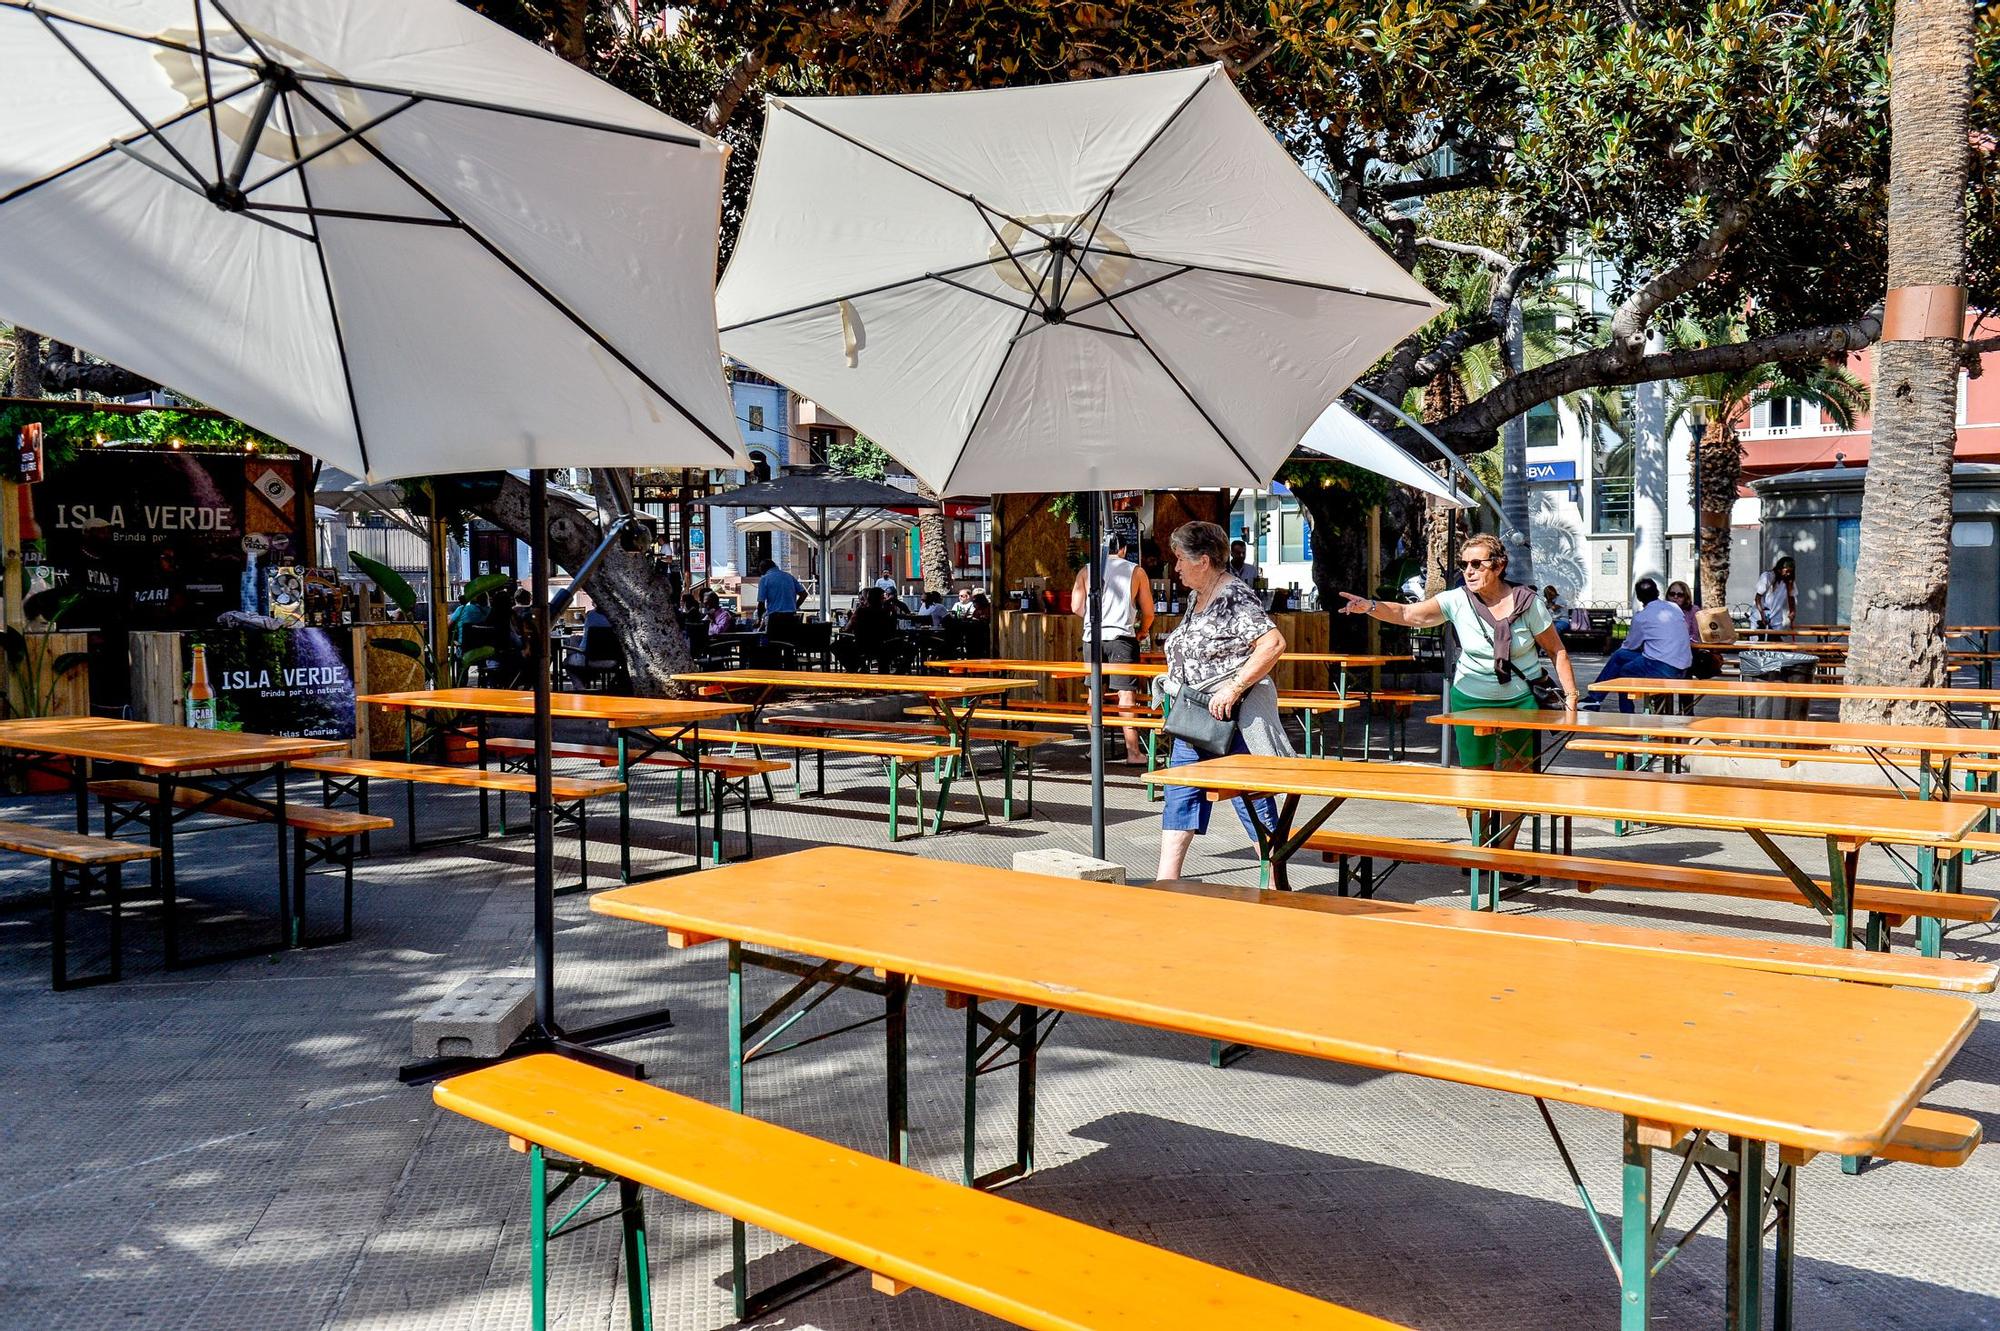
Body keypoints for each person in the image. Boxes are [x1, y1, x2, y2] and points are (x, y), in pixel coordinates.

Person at [1338, 532, 1580, 777]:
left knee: (1518, 773)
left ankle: (1511, 817)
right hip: (1471, 699)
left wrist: (1571, 696)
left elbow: (1556, 650)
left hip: (1520, 701)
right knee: (1475, 775)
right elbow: (1407, 613)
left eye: (1477, 564)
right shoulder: (1456, 600)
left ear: (1499, 565)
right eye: (1464, 565)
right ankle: (1479, 817)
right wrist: (1370, 606)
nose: (1469, 571)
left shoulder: (1528, 603)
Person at [1155, 521, 1291, 881]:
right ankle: (1165, 883)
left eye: (1181, 559)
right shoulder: (1196, 597)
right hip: (1194, 717)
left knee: (1255, 801)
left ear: (1203, 560)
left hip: (1232, 718)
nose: (1177, 567)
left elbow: (1273, 644)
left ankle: (1276, 883)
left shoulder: (1235, 597)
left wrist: (1233, 687)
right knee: (1179, 796)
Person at [1071, 531, 1156, 763]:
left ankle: (1095, 751)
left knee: (1093, 697)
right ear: (1124, 549)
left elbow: (1075, 606)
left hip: (1092, 638)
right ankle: (1133, 753)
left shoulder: (1086, 570)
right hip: (1122, 639)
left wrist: (1093, 620)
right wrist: (1143, 630)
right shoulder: (1136, 571)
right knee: (1126, 698)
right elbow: (1148, 612)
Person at [1595, 578, 1692, 711]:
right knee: (1620, 656)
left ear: (1639, 598)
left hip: (1662, 666)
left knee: (1624, 672)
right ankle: (1594, 698)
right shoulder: (1674, 608)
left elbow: (1630, 645)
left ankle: (1627, 715)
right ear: (1658, 592)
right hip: (1683, 667)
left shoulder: (1642, 617)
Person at [757, 559, 804, 639]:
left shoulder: (765, 579)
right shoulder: (789, 576)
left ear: (764, 569)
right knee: (789, 646)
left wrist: (759, 620)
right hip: (791, 617)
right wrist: (795, 606)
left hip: (775, 619)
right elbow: (803, 594)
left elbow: (761, 603)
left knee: (774, 646)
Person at [1754, 556, 1796, 630]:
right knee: (1761, 640)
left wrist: (1792, 611)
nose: (1788, 574)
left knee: (1776, 640)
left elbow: (1791, 597)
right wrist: (1762, 614)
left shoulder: (1789, 582)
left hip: (1776, 621)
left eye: (1791, 572)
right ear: (1780, 569)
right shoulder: (1767, 576)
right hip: (1760, 618)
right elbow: (1758, 598)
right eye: (1787, 571)